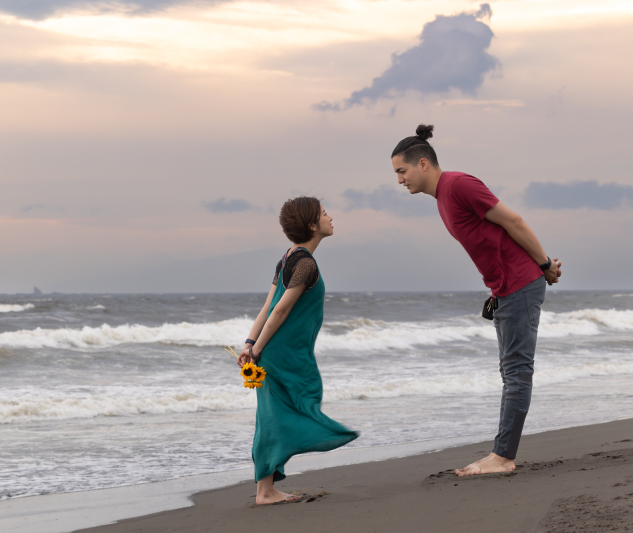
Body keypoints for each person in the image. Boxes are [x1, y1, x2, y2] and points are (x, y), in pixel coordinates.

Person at [390, 124, 562, 476]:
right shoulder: (443, 197)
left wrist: (544, 265)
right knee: (510, 371)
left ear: (423, 163)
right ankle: (501, 454)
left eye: (401, 171)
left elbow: (513, 221)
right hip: (505, 288)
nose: (399, 180)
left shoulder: (458, 185)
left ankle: (503, 457)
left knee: (517, 372)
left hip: (520, 283)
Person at [237, 196, 359, 504]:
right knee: (288, 408)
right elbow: (278, 310)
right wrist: (255, 349)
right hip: (281, 354)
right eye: (325, 213)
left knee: (275, 413)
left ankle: (266, 487)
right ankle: (266, 490)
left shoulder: (287, 258)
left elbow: (267, 306)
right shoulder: (304, 262)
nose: (331, 217)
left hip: (278, 351)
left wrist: (250, 344)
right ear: (312, 225)